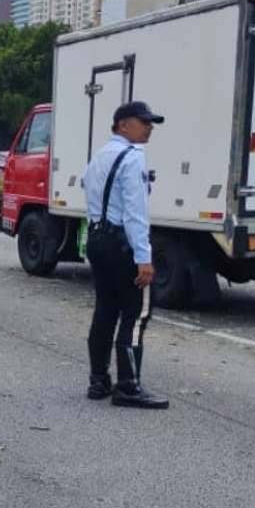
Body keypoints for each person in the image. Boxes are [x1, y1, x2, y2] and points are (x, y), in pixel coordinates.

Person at [83, 101, 168, 410]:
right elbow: (135, 213)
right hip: (122, 244)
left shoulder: (100, 156)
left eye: (150, 122)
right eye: (143, 122)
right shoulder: (133, 157)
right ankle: (129, 387)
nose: (149, 127)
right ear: (123, 125)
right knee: (136, 313)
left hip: (97, 238)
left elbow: (89, 194)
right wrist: (143, 258)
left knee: (105, 310)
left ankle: (98, 380)